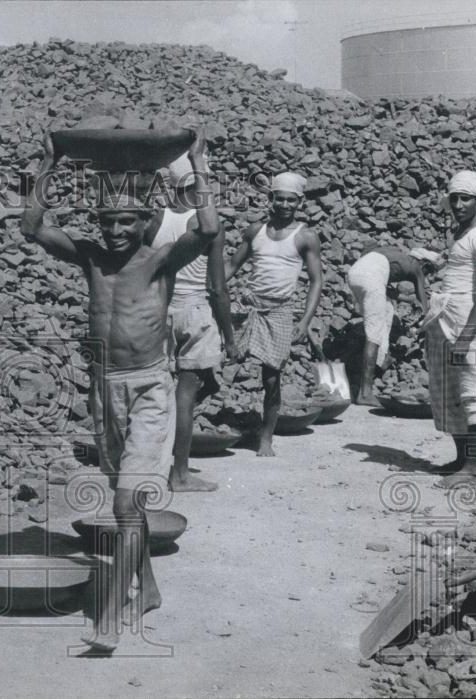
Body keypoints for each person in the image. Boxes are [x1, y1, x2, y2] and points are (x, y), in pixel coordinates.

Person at [22, 131, 218, 651]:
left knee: (128, 503)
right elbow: (32, 227)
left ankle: (109, 616)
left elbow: (208, 228)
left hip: (151, 386)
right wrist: (49, 164)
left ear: (146, 222)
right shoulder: (90, 258)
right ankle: (148, 588)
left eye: (127, 221)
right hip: (104, 389)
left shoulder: (159, 261)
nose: (115, 231)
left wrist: (197, 165)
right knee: (122, 501)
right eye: (107, 222)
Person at [145, 154, 235, 492]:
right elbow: (217, 288)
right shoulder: (208, 225)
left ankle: (147, 464)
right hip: (194, 312)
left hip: (157, 309)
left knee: (153, 394)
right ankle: (179, 474)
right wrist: (229, 336)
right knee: (186, 397)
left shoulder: (155, 221)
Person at [225, 172, 323, 457]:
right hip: (249, 306)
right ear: (270, 198)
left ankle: (265, 437)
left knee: (271, 378)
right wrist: (210, 292)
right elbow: (232, 265)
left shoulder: (305, 236)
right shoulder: (255, 231)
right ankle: (217, 418)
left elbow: (316, 280)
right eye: (279, 198)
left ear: (299, 202)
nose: (283, 205)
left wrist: (304, 321)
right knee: (224, 360)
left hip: (280, 310)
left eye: (290, 200)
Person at [422, 171, 476, 486]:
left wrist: (466, 338)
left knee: (474, 393)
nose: (457, 204)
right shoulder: (461, 232)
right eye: (454, 198)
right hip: (445, 319)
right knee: (450, 393)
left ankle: (472, 468)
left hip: (467, 323)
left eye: (465, 198)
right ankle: (459, 460)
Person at [347, 245, 442, 406]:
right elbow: (422, 299)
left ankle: (378, 362)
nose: (426, 275)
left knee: (387, 308)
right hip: (372, 278)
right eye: (428, 272)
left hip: (354, 274)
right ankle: (365, 393)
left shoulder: (393, 255)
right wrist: (428, 320)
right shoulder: (416, 267)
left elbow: (386, 290)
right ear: (424, 264)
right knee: (374, 335)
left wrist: (406, 299)